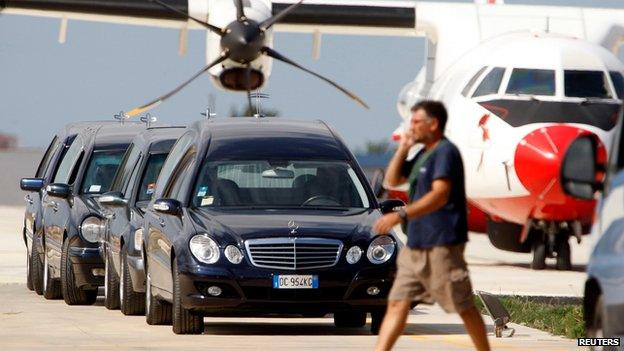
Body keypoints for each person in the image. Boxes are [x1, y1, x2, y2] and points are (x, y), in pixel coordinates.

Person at [373, 100, 490, 351]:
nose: (411, 127)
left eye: (416, 122)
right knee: (397, 303)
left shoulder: (445, 153)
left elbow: (440, 194)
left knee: (463, 306)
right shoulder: (422, 155)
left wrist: (401, 215)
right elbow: (393, 179)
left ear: (433, 124)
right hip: (415, 246)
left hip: (442, 245)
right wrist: (403, 148)